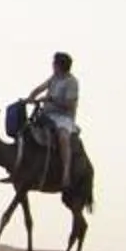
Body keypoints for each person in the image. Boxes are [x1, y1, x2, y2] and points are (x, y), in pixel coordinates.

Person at [21, 50, 80, 188]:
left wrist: (50, 99)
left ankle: (65, 173)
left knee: (63, 137)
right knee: (26, 129)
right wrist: (30, 98)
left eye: (54, 63)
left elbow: (70, 103)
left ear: (60, 65)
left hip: (63, 118)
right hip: (47, 114)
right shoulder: (54, 77)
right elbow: (40, 88)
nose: (53, 66)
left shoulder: (72, 82)